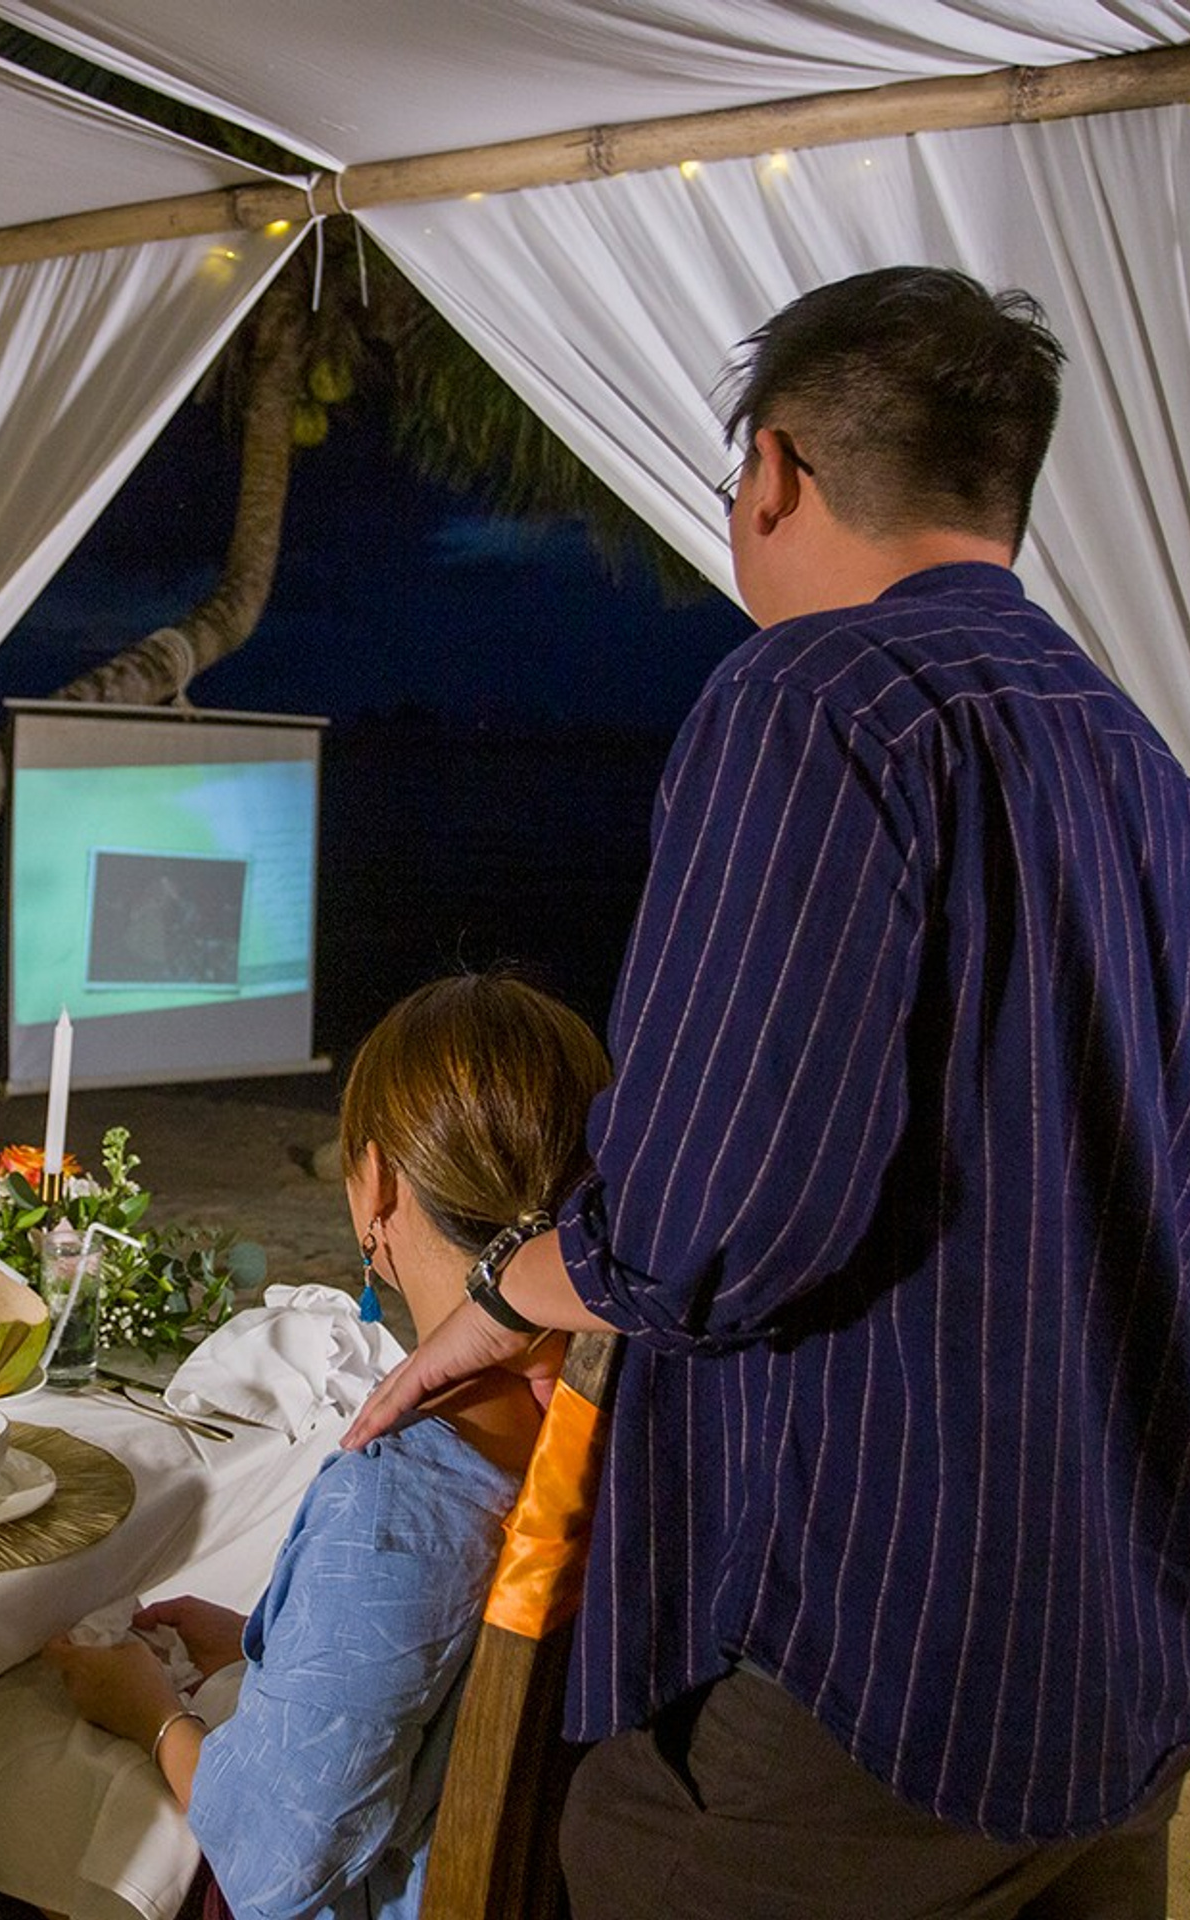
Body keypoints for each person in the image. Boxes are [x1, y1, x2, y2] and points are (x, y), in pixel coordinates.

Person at [346, 266, 1190, 1915]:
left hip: (880, 1680)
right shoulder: (1139, 763)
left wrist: (514, 1283)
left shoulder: (816, 701)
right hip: (1119, 1671)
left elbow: (708, 1221)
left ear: (778, 470)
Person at [0, 974, 609, 1920]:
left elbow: (272, 1863)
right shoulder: (589, 1420)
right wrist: (258, 1649)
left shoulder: (400, 1493)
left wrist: (150, 1712)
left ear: (377, 1184)